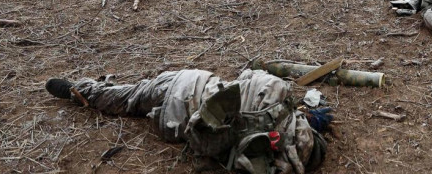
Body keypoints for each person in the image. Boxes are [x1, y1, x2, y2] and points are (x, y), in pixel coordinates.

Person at [45, 69, 330, 174]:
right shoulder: (261, 152)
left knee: (125, 96)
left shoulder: (278, 91)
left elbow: (245, 76)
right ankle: (81, 90)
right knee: (125, 100)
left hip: (190, 79)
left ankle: (80, 89)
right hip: (173, 114)